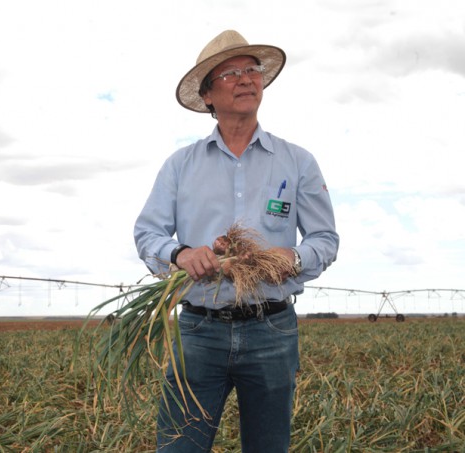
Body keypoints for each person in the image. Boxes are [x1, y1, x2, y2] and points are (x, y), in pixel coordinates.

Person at [133, 29, 340, 452]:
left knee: (268, 446)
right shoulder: (181, 165)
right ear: (207, 95)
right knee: (179, 446)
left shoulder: (298, 161)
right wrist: (180, 254)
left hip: (271, 329)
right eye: (230, 74)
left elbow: (325, 238)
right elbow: (147, 233)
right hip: (198, 331)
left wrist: (296, 256)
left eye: (252, 70)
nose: (246, 79)